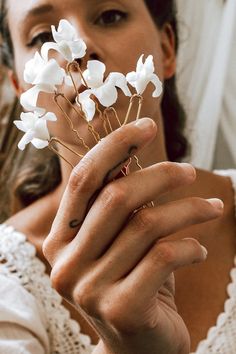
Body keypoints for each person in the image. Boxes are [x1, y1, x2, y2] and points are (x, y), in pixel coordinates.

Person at [0, 0, 235, 353]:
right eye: (43, 36)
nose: (79, 49)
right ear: (21, 87)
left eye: (110, 16)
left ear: (166, 49)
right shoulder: (9, 278)